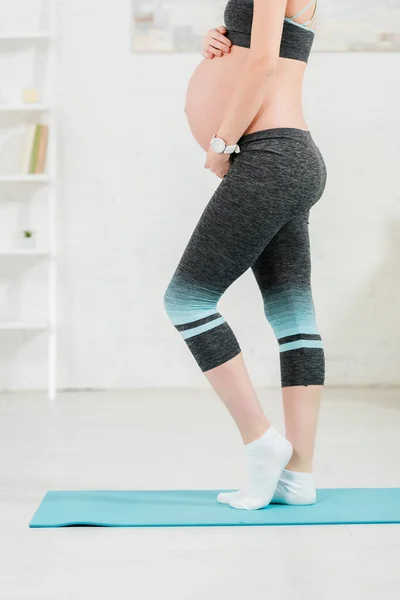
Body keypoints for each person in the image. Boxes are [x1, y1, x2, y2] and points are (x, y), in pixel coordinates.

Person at [164, 0, 327, 510]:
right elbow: (269, 47)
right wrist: (224, 38)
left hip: (270, 157)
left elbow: (263, 65)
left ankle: (262, 444)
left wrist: (220, 141)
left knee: (187, 302)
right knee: (292, 315)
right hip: (290, 157)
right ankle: (298, 476)